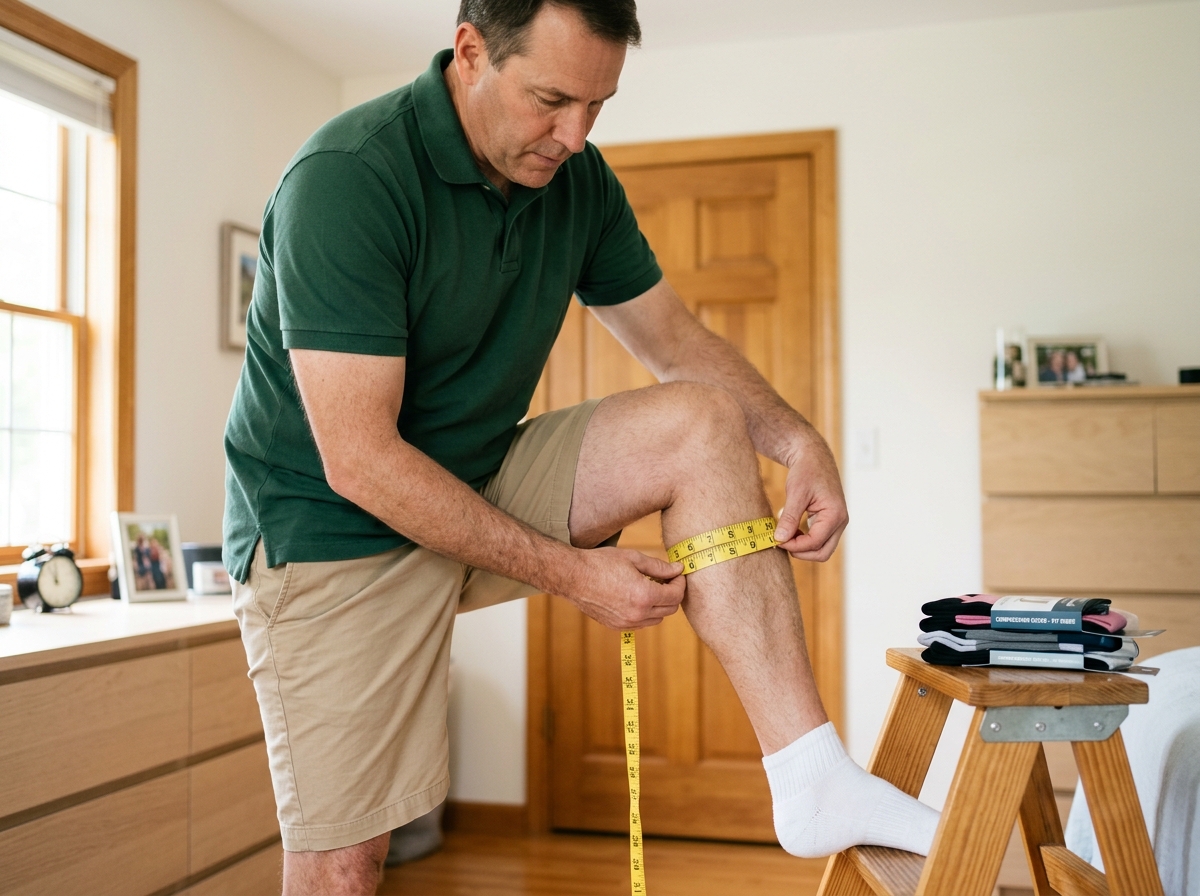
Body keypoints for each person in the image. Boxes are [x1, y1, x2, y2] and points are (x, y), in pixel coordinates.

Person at [223, 2, 940, 892]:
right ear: (472, 51)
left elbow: (676, 342)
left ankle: (811, 776)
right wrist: (574, 574)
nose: (573, 134)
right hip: (333, 531)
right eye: (551, 100)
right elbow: (359, 459)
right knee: (345, 860)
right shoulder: (349, 178)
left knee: (701, 420)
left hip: (475, 476)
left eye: (597, 105)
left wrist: (799, 443)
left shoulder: (579, 180)